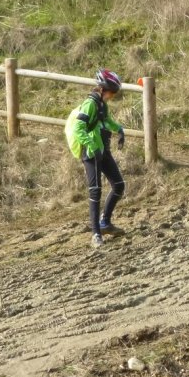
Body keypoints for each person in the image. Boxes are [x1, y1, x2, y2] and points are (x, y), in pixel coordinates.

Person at [65, 68, 127, 248]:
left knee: (118, 185)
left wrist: (119, 129)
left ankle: (105, 222)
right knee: (95, 191)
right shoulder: (89, 104)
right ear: (101, 88)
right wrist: (92, 147)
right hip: (90, 151)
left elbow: (105, 121)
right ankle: (96, 235)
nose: (113, 96)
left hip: (102, 149)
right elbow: (78, 129)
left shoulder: (101, 105)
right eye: (111, 92)